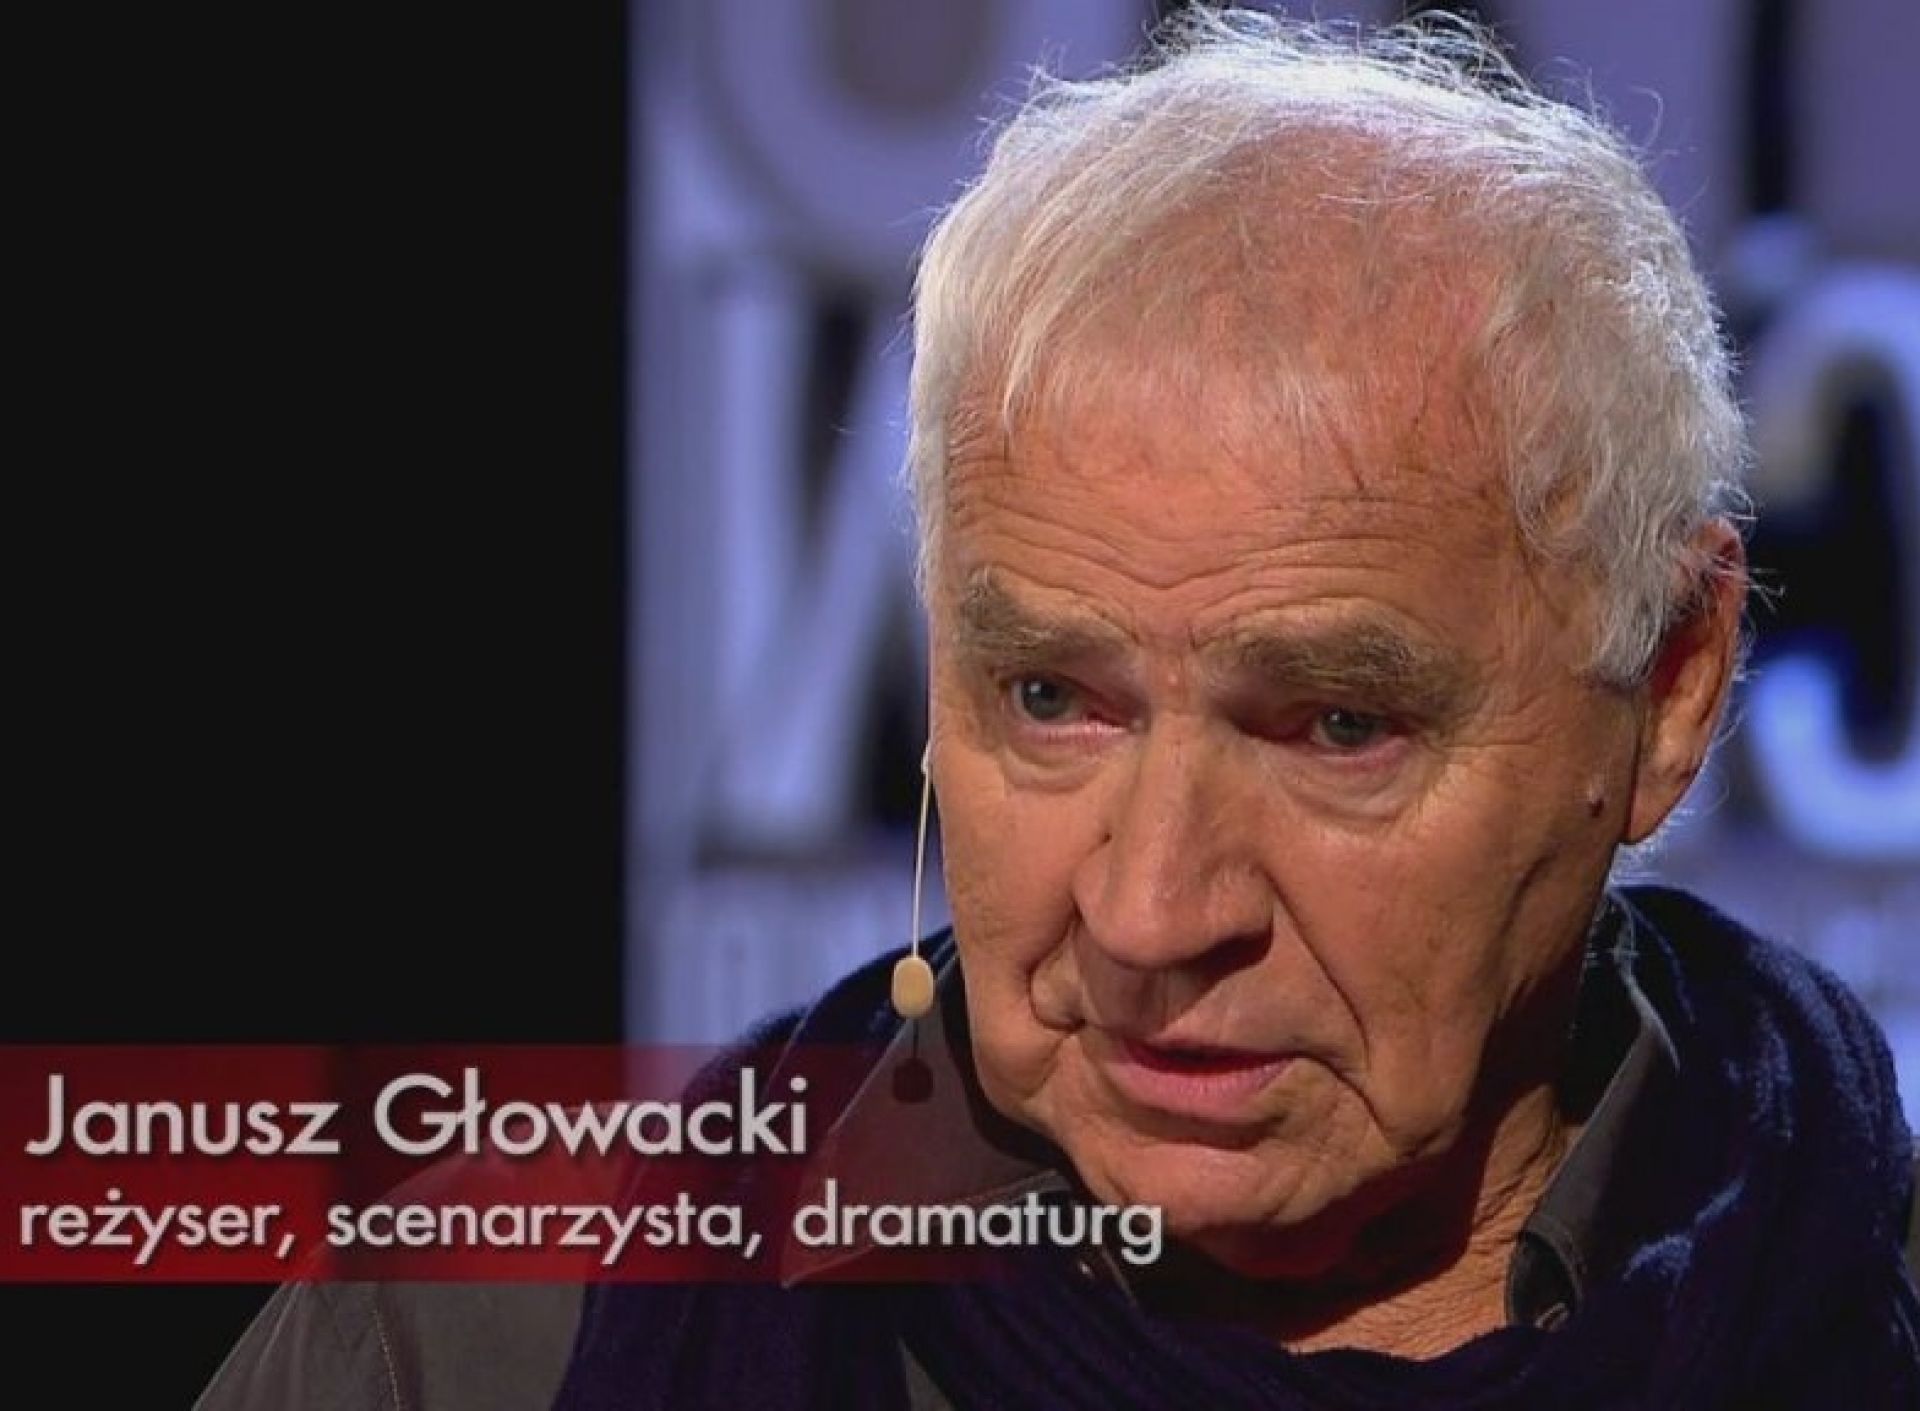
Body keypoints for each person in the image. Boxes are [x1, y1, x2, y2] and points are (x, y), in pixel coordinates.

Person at [200, 11, 1920, 1408]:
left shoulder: (1867, 1313)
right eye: (1050, 699)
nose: (1150, 914)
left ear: (1671, 687)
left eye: (1338, 728)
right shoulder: (463, 1352)